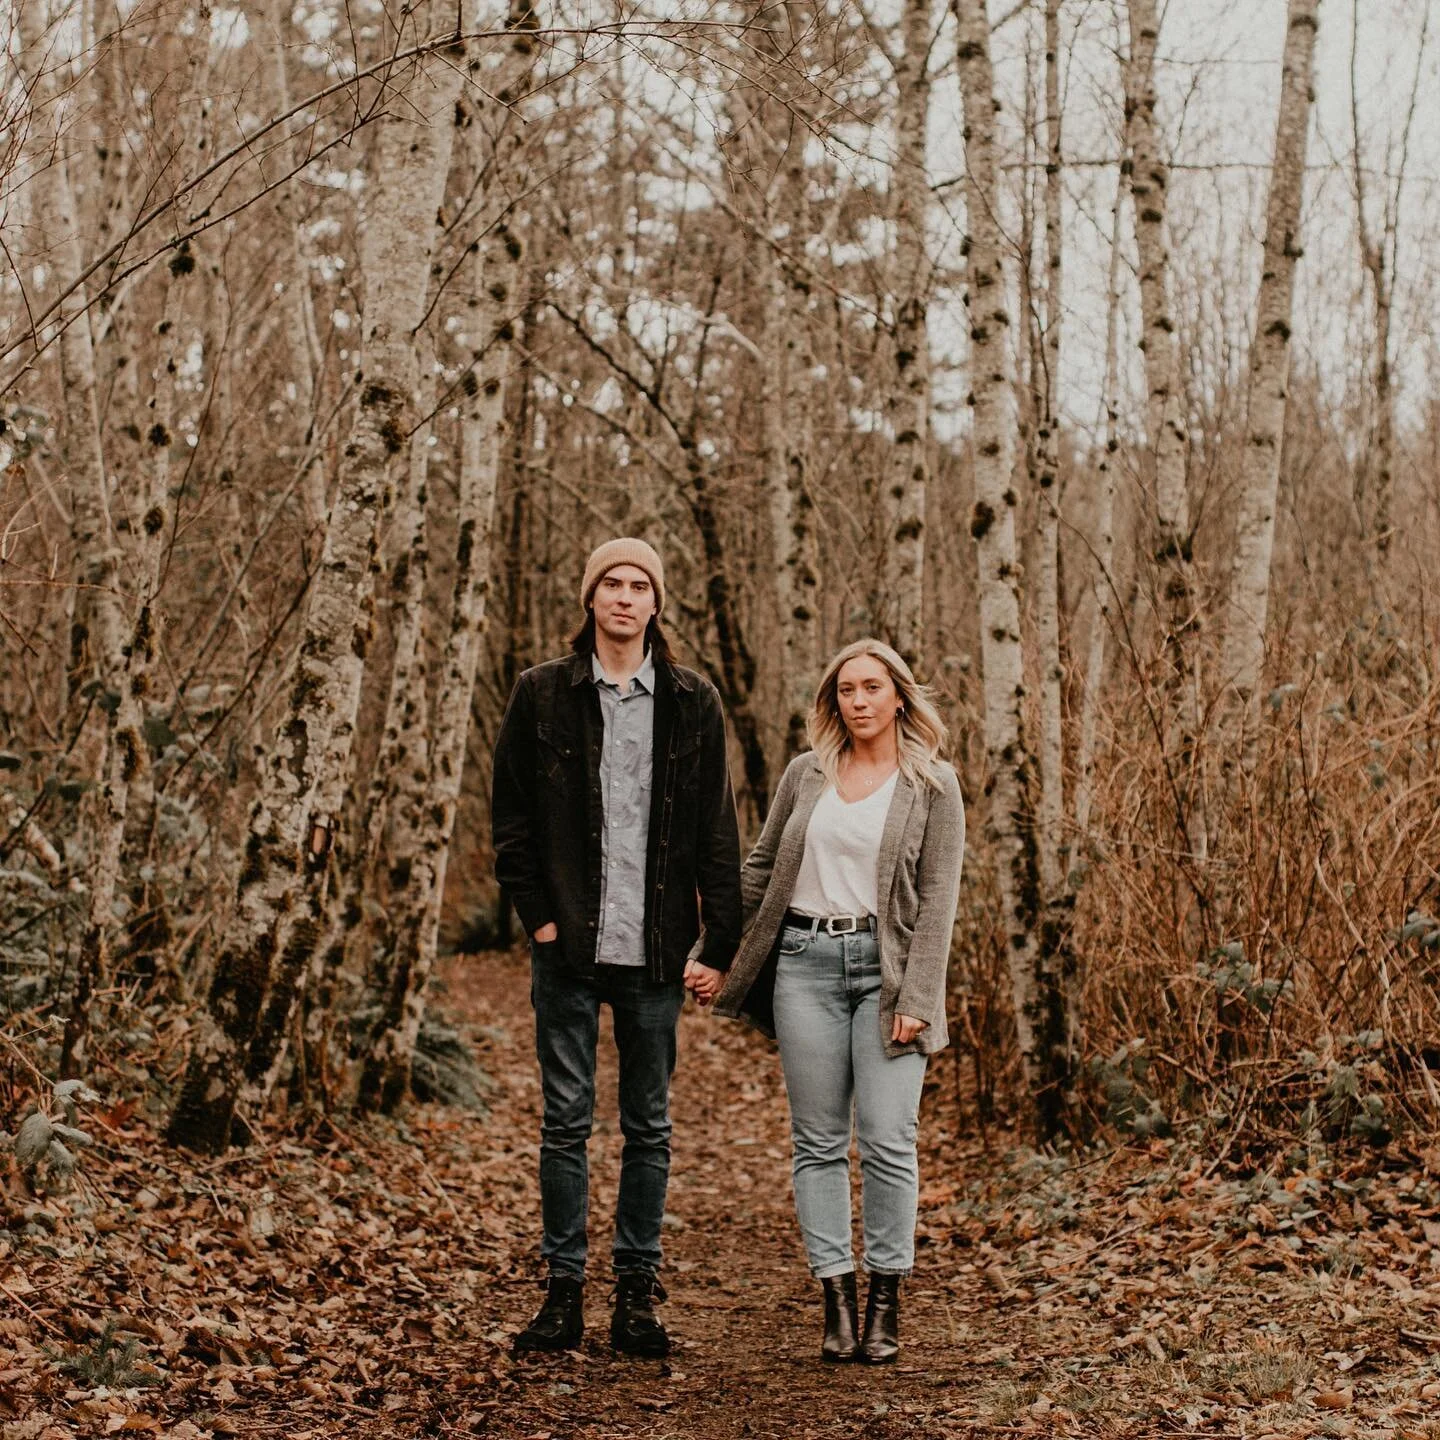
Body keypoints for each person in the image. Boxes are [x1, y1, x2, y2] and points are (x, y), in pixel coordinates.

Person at [491, 538, 740, 1358]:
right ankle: (563, 1294)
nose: (625, 598)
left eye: (640, 585)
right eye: (612, 584)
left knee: (649, 1125)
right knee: (565, 1123)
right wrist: (541, 919)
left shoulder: (692, 700)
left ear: (657, 602)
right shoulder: (541, 694)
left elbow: (715, 829)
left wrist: (718, 940)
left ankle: (636, 1294)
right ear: (591, 597)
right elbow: (512, 818)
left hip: (658, 950)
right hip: (568, 947)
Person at [708, 639, 963, 1365]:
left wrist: (920, 994)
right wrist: (712, 954)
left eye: (872, 688)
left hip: (886, 975)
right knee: (817, 1144)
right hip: (803, 966)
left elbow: (941, 897)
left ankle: (887, 1300)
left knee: (887, 1138)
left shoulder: (933, 785)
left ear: (898, 698)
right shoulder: (806, 774)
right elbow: (760, 870)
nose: (859, 701)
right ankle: (837, 1301)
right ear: (834, 701)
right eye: (846, 689)